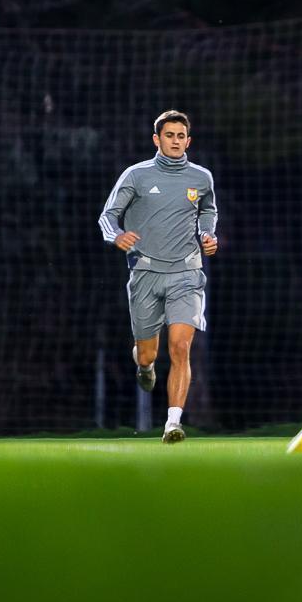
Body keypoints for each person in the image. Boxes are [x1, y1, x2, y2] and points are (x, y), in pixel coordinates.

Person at [98, 110, 218, 443]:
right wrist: (116, 236)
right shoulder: (136, 175)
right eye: (169, 135)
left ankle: (173, 423)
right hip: (146, 273)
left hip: (187, 273)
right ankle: (144, 366)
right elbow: (108, 216)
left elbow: (208, 211)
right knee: (149, 352)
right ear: (157, 139)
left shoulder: (201, 178)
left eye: (181, 136)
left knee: (180, 347)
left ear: (188, 141)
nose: (175, 141)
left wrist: (208, 234)